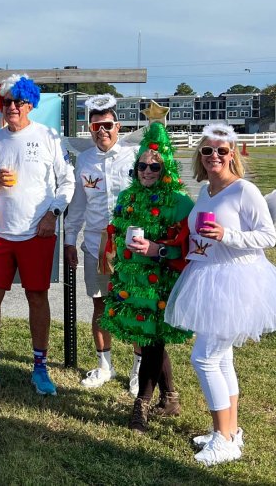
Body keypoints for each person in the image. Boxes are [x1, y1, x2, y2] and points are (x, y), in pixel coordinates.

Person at [164, 123, 276, 466]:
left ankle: (223, 439)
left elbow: (267, 237)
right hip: (207, 275)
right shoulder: (206, 191)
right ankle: (229, 430)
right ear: (200, 156)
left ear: (232, 154)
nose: (214, 156)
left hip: (236, 282)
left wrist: (227, 234)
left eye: (222, 151)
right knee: (221, 358)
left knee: (203, 358)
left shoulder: (244, 190)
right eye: (207, 151)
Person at [0, 74, 75, 395]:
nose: (12, 107)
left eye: (18, 101)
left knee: (37, 297)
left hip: (38, 232)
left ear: (30, 103)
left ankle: (40, 368)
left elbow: (67, 182)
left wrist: (52, 213)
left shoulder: (49, 137)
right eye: (7, 102)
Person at [99, 122, 193, 433]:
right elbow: (114, 231)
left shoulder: (180, 202)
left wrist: (159, 251)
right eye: (142, 165)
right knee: (150, 339)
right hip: (132, 284)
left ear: (166, 168)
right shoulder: (127, 198)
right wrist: (110, 255)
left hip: (162, 283)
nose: (147, 171)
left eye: (155, 166)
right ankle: (170, 397)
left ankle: (141, 405)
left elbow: (190, 249)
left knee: (152, 340)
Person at [63, 94, 143, 394]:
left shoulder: (135, 156)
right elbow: (79, 205)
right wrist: (70, 240)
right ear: (90, 128)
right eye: (96, 126)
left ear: (118, 126)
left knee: (135, 307)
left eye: (107, 125)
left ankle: (137, 370)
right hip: (96, 244)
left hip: (132, 244)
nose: (102, 131)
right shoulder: (84, 160)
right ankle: (104, 365)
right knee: (100, 305)